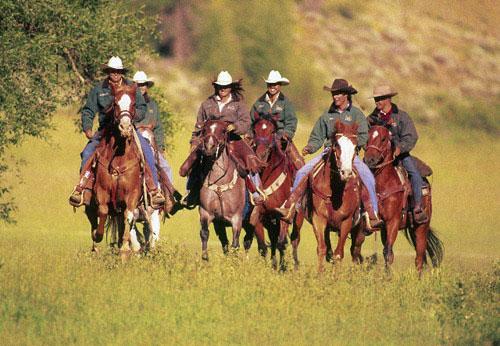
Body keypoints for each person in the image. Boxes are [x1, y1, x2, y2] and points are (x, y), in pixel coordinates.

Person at [277, 78, 382, 229]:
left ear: (346, 95)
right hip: (328, 153)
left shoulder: (357, 115)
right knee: (302, 173)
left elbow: (364, 136)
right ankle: (291, 208)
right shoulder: (327, 115)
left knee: (369, 179)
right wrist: (310, 148)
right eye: (333, 94)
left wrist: (350, 145)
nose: (335, 97)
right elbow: (317, 137)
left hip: (351, 155)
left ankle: (372, 216)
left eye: (338, 93)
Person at [68, 56, 165, 208]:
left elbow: (141, 108)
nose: (115, 74)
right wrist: (87, 128)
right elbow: (88, 110)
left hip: (128, 128)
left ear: (121, 72)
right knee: (87, 153)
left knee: (147, 151)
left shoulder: (132, 87)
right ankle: (82, 189)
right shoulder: (99, 89)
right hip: (105, 130)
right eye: (112, 71)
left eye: (118, 71)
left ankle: (153, 191)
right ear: (108, 71)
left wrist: (131, 117)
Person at [179, 71, 264, 207]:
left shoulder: (238, 104)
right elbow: (199, 126)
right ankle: (191, 193)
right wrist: (194, 143)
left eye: (225, 86)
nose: (222, 89)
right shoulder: (207, 104)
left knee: (249, 159)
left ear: (231, 87)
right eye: (220, 86)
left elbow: (246, 122)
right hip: (210, 140)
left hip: (232, 139)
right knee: (193, 163)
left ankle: (256, 191)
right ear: (216, 87)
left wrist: (235, 127)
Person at [366, 84, 428, 224]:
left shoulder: (401, 116)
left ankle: (417, 207)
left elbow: (411, 136)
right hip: (377, 157)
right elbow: (365, 135)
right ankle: (365, 210)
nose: (377, 101)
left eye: (380, 98)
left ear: (388, 99)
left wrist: (400, 148)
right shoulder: (371, 118)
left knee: (414, 174)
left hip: (399, 155)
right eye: (376, 98)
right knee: (362, 175)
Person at [248, 70, 304, 203]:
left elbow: (291, 122)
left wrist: (286, 134)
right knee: (245, 161)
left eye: (275, 84)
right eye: (270, 84)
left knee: (300, 165)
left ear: (280, 85)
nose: (272, 87)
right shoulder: (259, 103)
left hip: (280, 139)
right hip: (261, 139)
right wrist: (249, 136)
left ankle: (297, 197)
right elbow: (251, 122)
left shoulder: (286, 103)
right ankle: (249, 193)